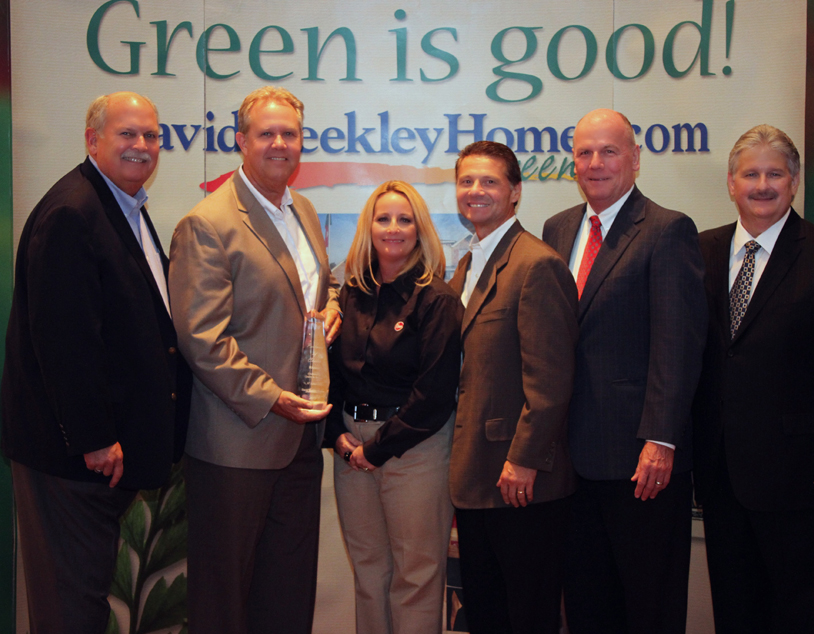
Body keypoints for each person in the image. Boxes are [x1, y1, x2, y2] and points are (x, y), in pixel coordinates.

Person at [0, 92, 190, 633]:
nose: (141, 146)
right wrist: (94, 438)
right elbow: (64, 341)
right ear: (92, 140)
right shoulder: (71, 212)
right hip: (72, 460)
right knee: (70, 611)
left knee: (80, 603)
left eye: (151, 136)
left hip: (96, 463)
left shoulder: (123, 206)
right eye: (127, 134)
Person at [168, 86, 341, 634]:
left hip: (299, 442)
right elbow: (202, 339)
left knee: (287, 597)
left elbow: (320, 283)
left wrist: (332, 308)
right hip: (236, 446)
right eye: (266, 133)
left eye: (289, 134)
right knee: (224, 603)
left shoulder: (304, 209)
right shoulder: (209, 223)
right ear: (240, 141)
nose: (280, 144)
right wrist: (272, 399)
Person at [692, 124, 814, 633]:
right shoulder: (700, 251)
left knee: (801, 611)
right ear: (730, 182)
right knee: (735, 607)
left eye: (775, 174)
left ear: (794, 182)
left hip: (803, 475)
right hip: (721, 473)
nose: (762, 185)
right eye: (751, 174)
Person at [542, 108, 707, 634]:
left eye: (609, 151)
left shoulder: (667, 230)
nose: (595, 163)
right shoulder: (559, 227)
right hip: (570, 458)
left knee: (648, 606)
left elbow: (677, 346)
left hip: (641, 463)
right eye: (584, 153)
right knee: (588, 604)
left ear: (635, 160)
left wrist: (661, 439)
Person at [448, 140, 579, 634]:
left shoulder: (535, 264)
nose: (475, 191)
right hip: (476, 474)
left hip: (520, 479)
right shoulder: (469, 262)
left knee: (528, 615)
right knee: (487, 612)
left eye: (489, 182)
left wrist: (524, 459)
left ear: (515, 192)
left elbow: (551, 379)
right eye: (466, 181)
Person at [326, 180, 463, 634]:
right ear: (368, 227)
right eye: (383, 218)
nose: (393, 228)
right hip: (351, 448)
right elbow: (331, 375)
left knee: (415, 578)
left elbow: (435, 394)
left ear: (421, 230)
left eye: (405, 219)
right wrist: (338, 438)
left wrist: (377, 450)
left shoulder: (437, 299)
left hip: (414, 450)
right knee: (369, 575)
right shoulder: (350, 295)